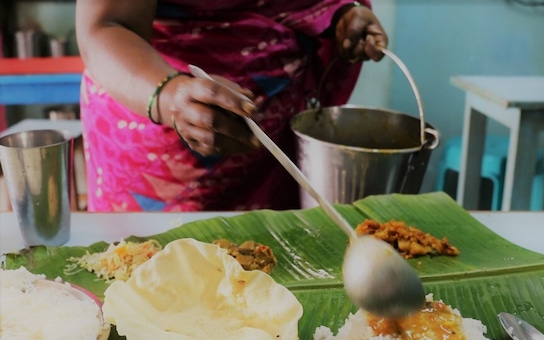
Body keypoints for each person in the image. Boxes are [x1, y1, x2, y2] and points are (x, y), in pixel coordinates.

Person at [75, 0, 388, 212]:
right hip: (174, 140)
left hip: (281, 141)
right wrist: (171, 95)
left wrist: (341, 13)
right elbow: (106, 25)